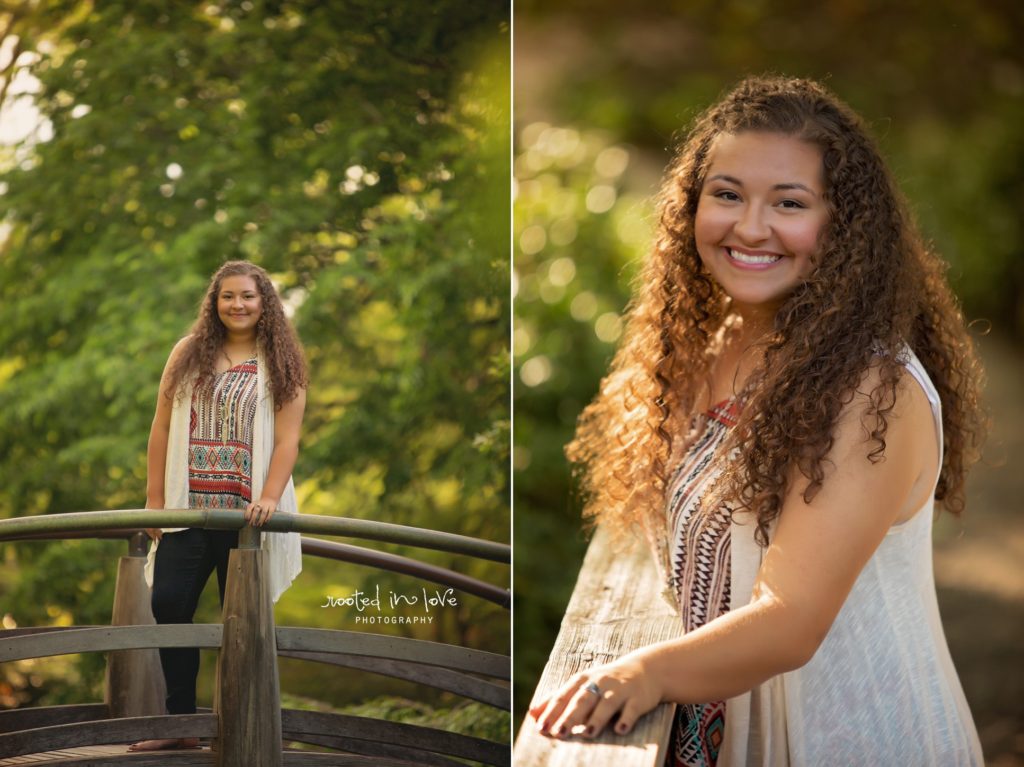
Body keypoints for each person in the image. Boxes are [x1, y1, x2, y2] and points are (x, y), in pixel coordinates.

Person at [529, 77, 987, 765]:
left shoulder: (870, 389)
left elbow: (791, 621)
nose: (748, 227)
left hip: (848, 739)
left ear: (842, 225)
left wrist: (642, 671)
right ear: (692, 203)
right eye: (727, 193)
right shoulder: (714, 344)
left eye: (789, 203)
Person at [129, 260, 308, 752]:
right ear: (215, 302)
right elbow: (161, 426)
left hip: (247, 517)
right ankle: (181, 725)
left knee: (244, 623)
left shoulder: (282, 360)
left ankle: (241, 727)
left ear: (263, 301)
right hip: (187, 509)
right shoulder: (188, 353)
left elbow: (288, 440)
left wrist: (269, 496)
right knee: (168, 605)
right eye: (228, 296)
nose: (238, 305)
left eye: (248, 296)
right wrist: (153, 500)